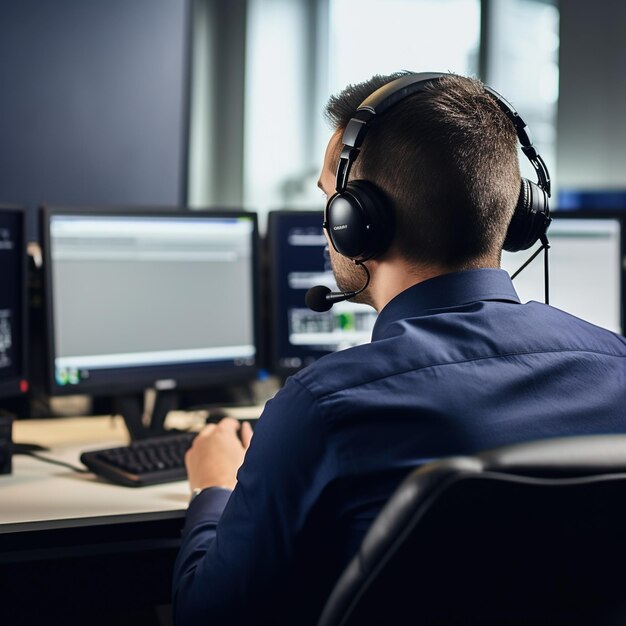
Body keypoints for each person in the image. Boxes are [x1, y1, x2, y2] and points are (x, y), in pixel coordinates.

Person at [172, 72, 626, 626]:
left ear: (357, 223)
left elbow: (209, 618)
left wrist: (213, 488)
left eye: (329, 200)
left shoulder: (325, 407)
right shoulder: (617, 367)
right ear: (516, 216)